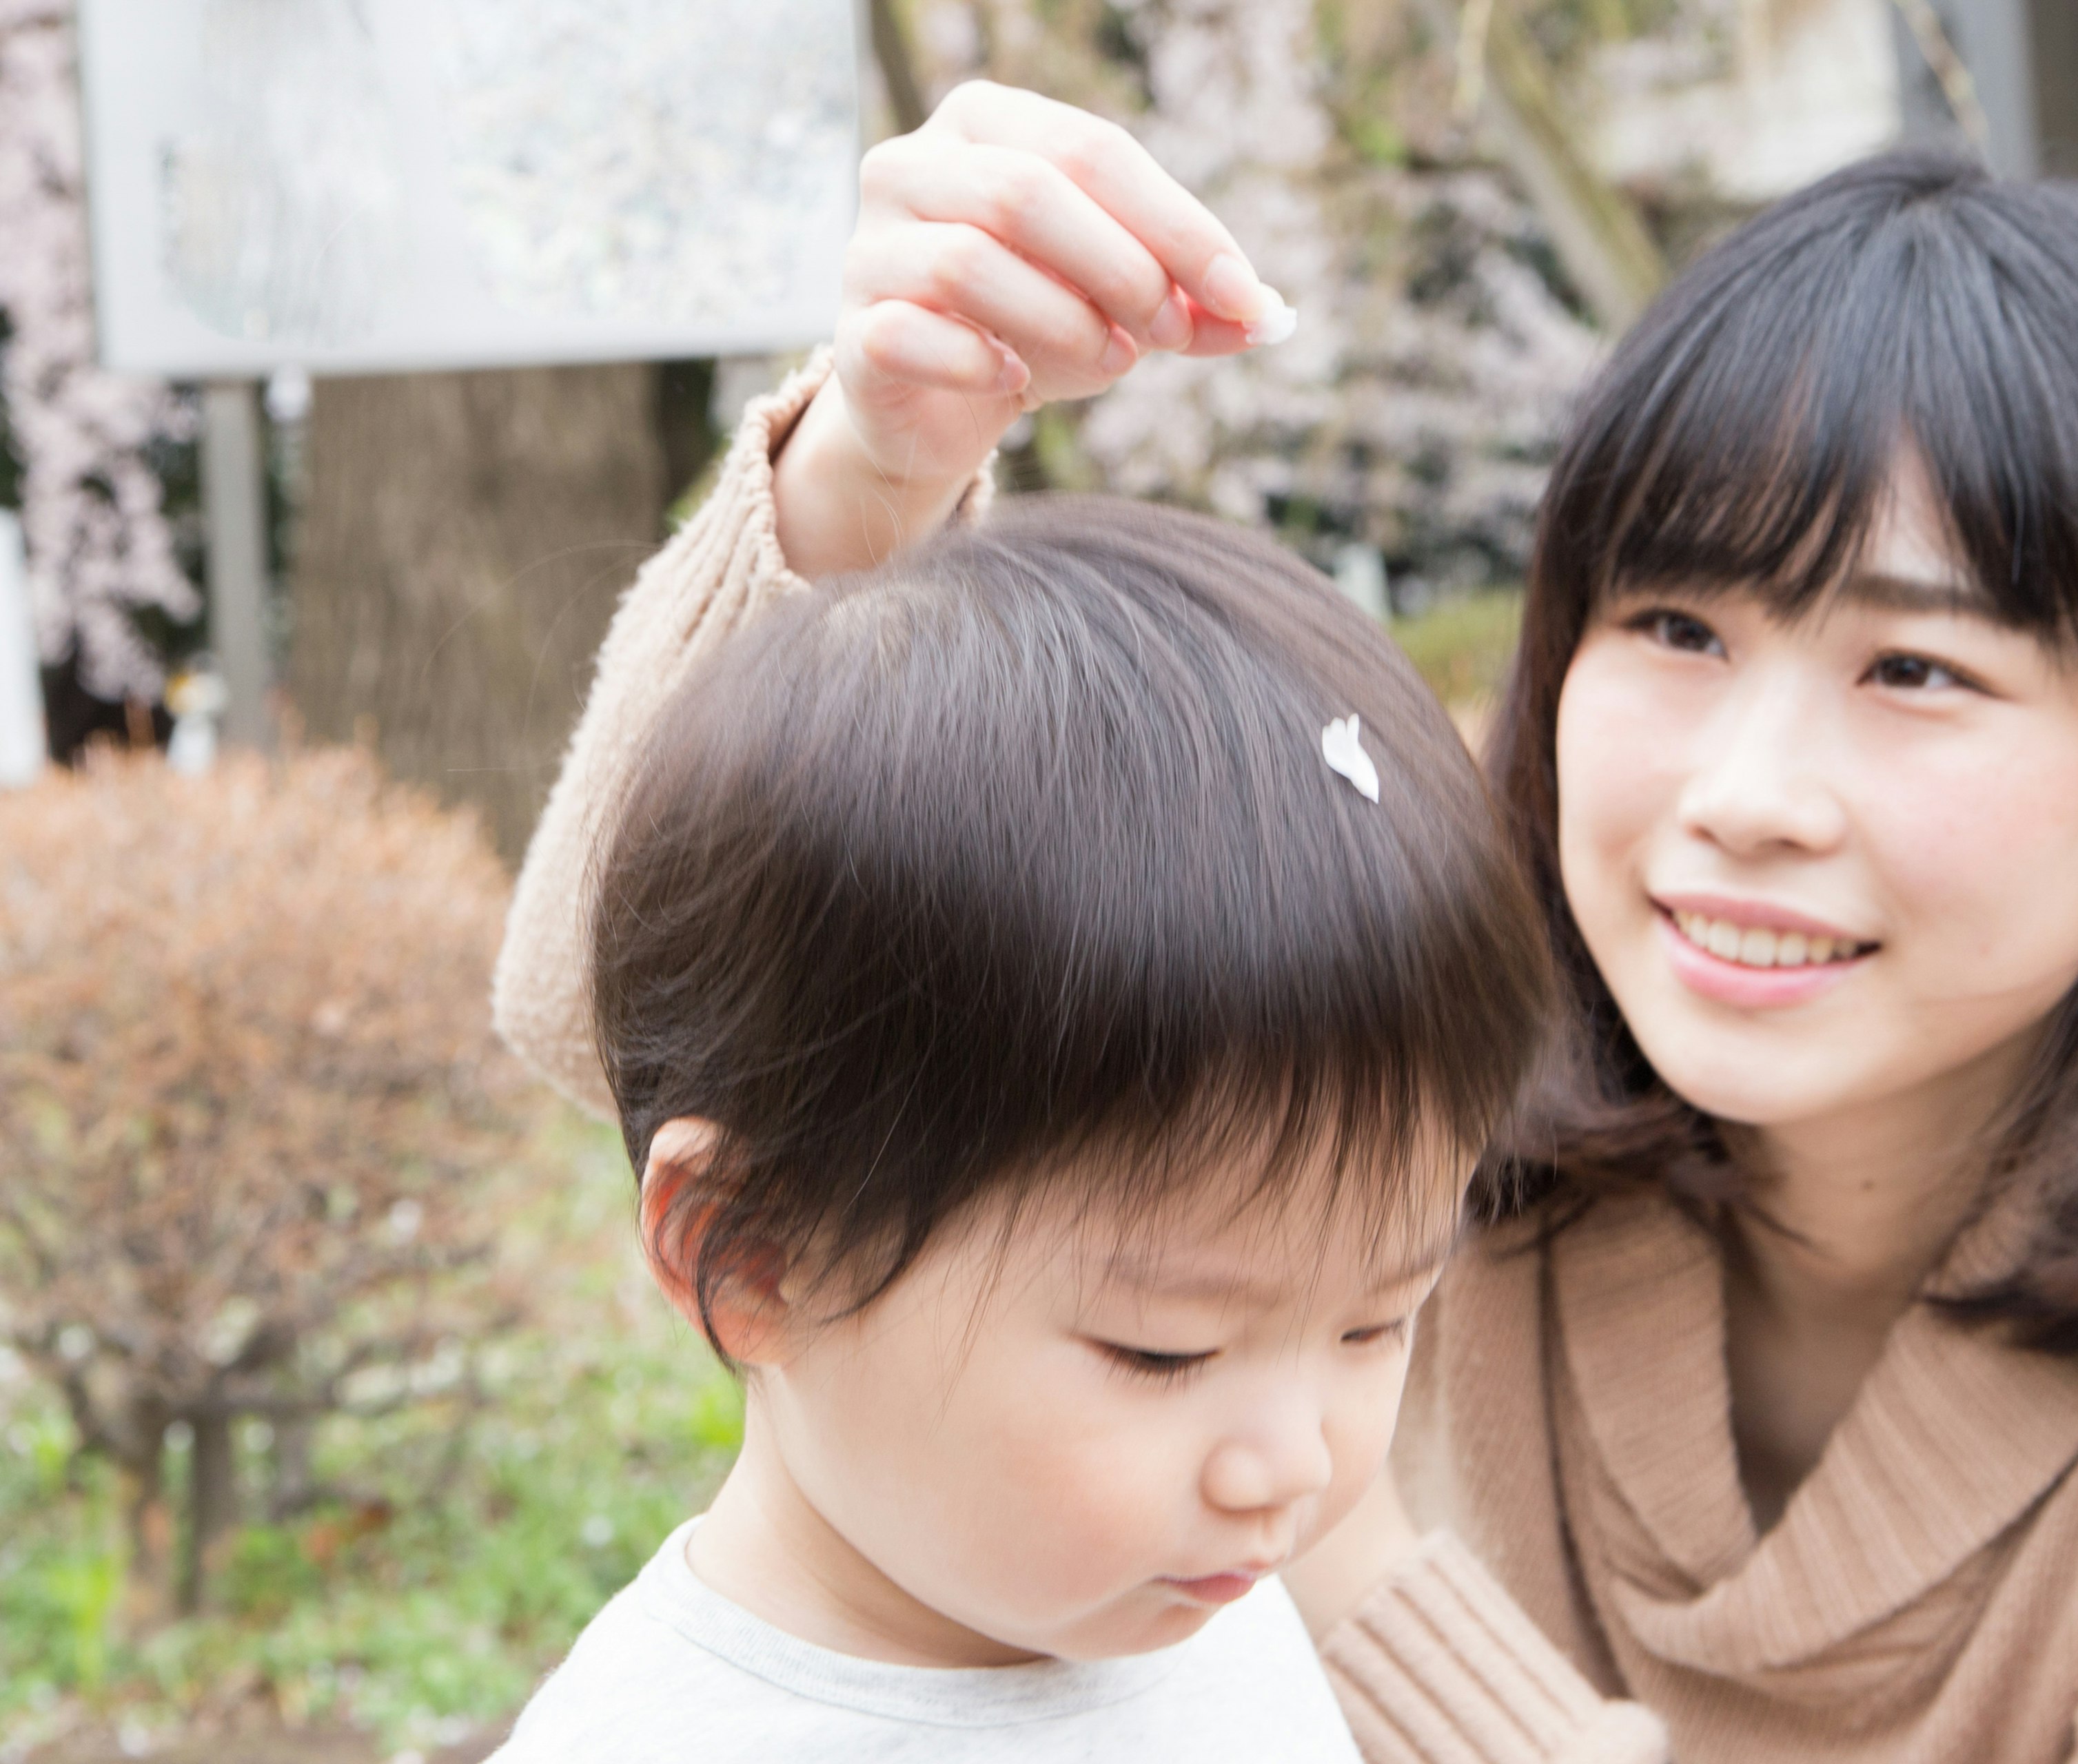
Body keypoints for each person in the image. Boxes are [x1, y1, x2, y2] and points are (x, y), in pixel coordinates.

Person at [493, 81, 2078, 1763]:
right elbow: (659, 1035)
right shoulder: (1411, 1023)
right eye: (1673, 625)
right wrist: (870, 469)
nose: (1744, 798)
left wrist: (1367, 1575)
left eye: (1917, 674)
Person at [485, 492, 1552, 1761]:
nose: (1291, 1465)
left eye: (1376, 1322)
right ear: (750, 1251)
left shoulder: (1190, 1608)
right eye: (1165, 1353)